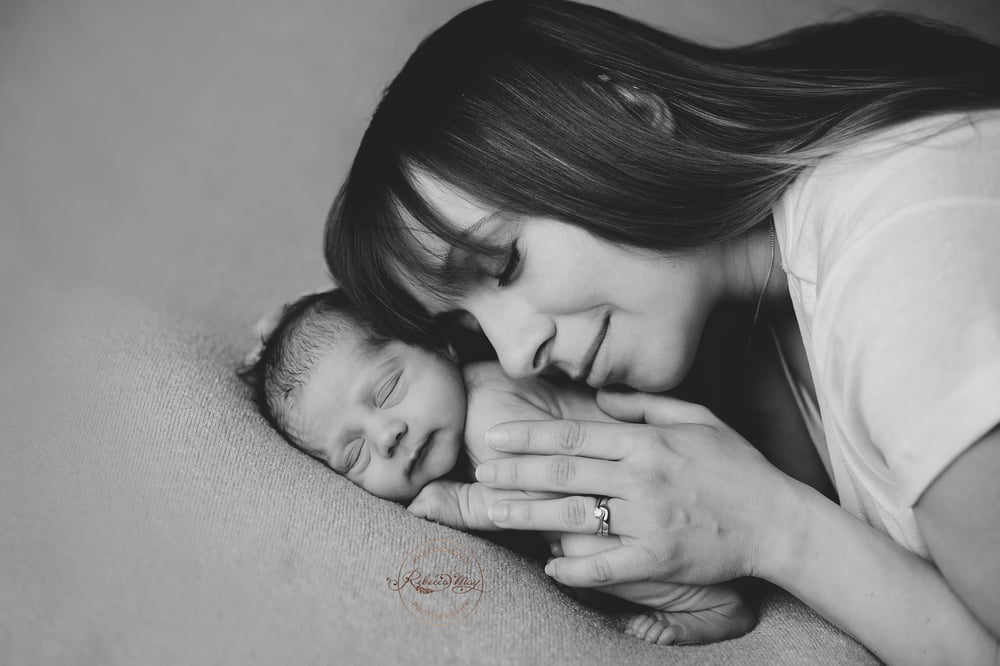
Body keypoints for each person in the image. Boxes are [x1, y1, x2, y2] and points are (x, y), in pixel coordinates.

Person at [322, 1, 1000, 663]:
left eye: (505, 263)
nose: (514, 353)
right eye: (468, 326)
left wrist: (775, 528)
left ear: (630, 119)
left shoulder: (903, 259)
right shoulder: (768, 297)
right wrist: (323, 352)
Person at [239, 287, 756, 645]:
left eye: (388, 389)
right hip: (643, 499)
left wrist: (466, 504)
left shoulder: (487, 412)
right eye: (354, 456)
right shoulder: (452, 421)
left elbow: (549, 497)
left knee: (582, 545)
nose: (386, 435)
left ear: (438, 343)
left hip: (683, 494)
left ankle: (715, 605)